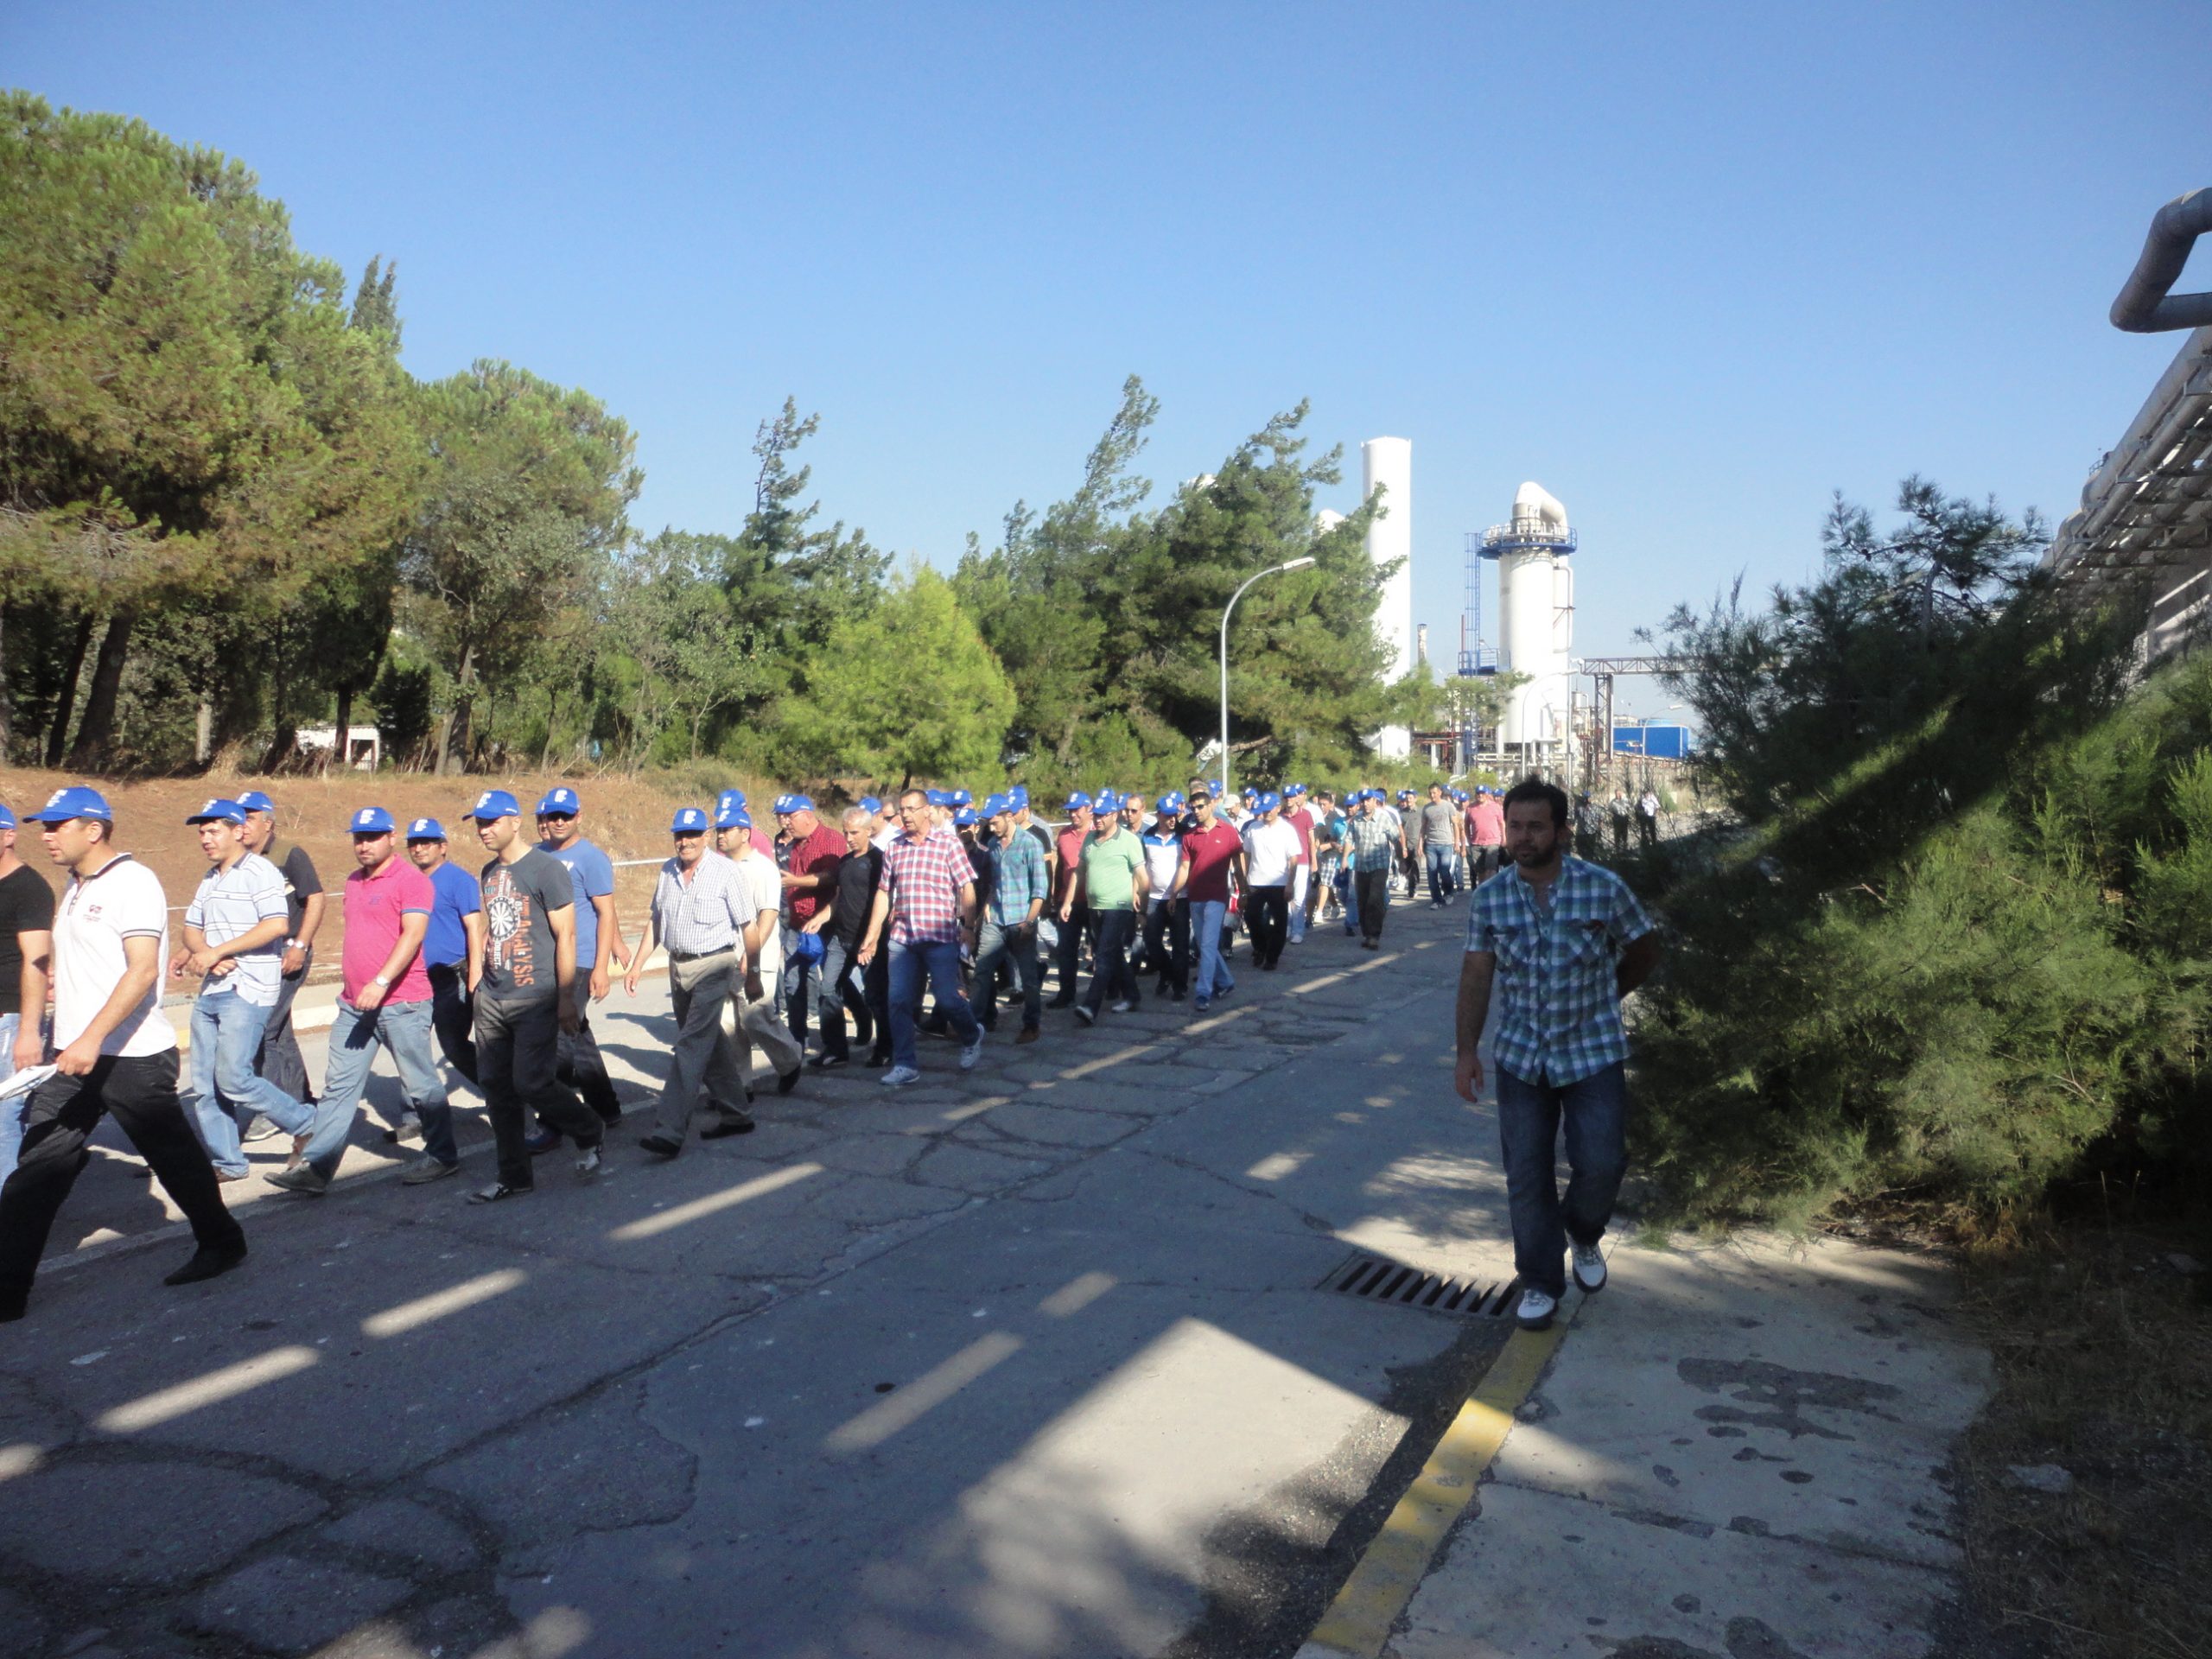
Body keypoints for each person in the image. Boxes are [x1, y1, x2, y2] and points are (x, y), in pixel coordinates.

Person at [2, 788, 248, 1321]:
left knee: (174, 1159)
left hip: (130, 1056)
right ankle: (7, 1289)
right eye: (44, 826)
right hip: (74, 1055)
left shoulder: (133, 882)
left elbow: (142, 970)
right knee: (40, 1164)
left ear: (94, 829)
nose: (46, 836)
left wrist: (91, 1038)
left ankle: (222, 1241)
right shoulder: (76, 884)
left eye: (57, 826)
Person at [1456, 778, 1662, 1332]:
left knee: (1601, 1162)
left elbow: (1644, 947)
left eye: (1535, 827)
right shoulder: (1490, 897)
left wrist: (1608, 995)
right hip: (1522, 1057)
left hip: (1592, 1051)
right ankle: (1540, 1282)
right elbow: (1476, 974)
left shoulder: (1603, 888)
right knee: (1526, 1174)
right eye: (1515, 826)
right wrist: (1466, 1051)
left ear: (1562, 831)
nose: (1522, 837)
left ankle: (1584, 1233)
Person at [274, 807, 461, 1192]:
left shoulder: (411, 881)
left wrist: (381, 980)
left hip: (402, 1003)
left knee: (420, 1085)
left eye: (373, 837)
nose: (364, 845)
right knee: (338, 1087)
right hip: (353, 1005)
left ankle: (442, 1155)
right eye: (359, 838)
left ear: (391, 838)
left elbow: (412, 936)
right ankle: (317, 1167)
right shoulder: (354, 881)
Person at [464, 789, 605, 1202]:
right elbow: (495, 928)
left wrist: (565, 998)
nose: (484, 830)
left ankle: (588, 1127)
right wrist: (479, 980)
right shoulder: (489, 872)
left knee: (531, 1083)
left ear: (515, 822)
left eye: (491, 822)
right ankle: (514, 1176)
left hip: (534, 996)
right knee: (496, 1088)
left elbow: (567, 935)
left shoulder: (547, 869)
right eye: (479, 823)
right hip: (492, 997)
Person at [173, 798, 312, 1183]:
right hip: (213, 988)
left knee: (234, 1077)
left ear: (238, 831)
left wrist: (218, 951)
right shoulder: (210, 878)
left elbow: (277, 925)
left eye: (213, 830)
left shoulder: (260, 871)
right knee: (205, 1084)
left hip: (248, 988)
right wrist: (205, 953)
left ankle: (308, 1123)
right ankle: (229, 1162)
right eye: (202, 832)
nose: (205, 838)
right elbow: (191, 928)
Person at [628, 807, 755, 1157]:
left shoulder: (726, 872)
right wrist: (637, 965)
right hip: (678, 966)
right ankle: (737, 1113)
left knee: (689, 1046)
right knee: (709, 1043)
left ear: (706, 836)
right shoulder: (667, 871)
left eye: (692, 835)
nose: (685, 842)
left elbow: (749, 925)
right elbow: (656, 920)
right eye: (679, 835)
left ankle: (669, 1131)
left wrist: (754, 972)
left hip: (715, 965)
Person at [858, 789, 985, 1086]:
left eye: (911, 809)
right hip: (903, 939)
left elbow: (966, 887)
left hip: (940, 937)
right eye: (902, 809)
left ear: (927, 811)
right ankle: (905, 1064)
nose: (905, 815)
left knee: (948, 998)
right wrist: (873, 934)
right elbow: (884, 893)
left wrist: (968, 927)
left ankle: (971, 1034)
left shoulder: (948, 844)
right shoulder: (895, 847)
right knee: (898, 1001)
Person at [531, 790, 626, 1144]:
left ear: (578, 817)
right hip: (547, 959)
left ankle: (554, 1121)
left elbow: (606, 913)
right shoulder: (537, 855)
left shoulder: (591, 858)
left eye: (565, 816)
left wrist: (601, 968)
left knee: (557, 1041)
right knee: (577, 1034)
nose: (558, 822)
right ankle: (606, 1106)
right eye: (552, 816)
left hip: (581, 959)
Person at [237, 790, 323, 1128]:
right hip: (257, 958)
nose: (242, 824)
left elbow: (316, 899)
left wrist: (300, 945)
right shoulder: (239, 859)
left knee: (264, 1029)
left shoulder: (289, 854)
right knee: (280, 1033)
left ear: (268, 823)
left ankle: (271, 1110)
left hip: (288, 953)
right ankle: (301, 1101)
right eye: (239, 817)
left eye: (249, 817)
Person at [716, 805, 807, 1096]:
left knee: (755, 1017)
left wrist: (751, 955)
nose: (720, 835)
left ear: (745, 834)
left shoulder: (762, 867)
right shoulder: (719, 867)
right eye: (718, 830)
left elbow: (767, 914)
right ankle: (740, 1086)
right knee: (728, 1025)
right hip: (725, 956)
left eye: (727, 830)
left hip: (756, 956)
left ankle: (790, 1059)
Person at [800, 807, 884, 1066]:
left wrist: (873, 938)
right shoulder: (845, 861)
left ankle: (885, 1048)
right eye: (846, 832)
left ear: (869, 831)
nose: (849, 838)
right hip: (841, 937)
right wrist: (821, 917)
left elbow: (884, 901)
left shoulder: (879, 861)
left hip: (868, 940)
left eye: (854, 833)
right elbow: (839, 898)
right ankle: (836, 1049)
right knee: (828, 990)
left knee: (876, 996)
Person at [0, 801, 55, 1186]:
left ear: (9, 836)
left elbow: (37, 962)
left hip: (10, 1017)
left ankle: (10, 1206)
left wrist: (29, 1031)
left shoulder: (29, 888)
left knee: (4, 1117)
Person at [405, 819, 482, 1084]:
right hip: (418, 978)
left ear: (443, 847)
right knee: (411, 1045)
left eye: (426, 843)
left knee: (453, 1045)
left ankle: (502, 1092)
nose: (418, 849)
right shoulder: (410, 882)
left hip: (454, 976)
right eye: (413, 843)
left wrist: (475, 972)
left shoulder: (459, 880)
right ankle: (417, 1105)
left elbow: (474, 927)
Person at [972, 794, 1047, 1041]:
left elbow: (1040, 889)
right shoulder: (993, 845)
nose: (992, 828)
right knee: (982, 971)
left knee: (1028, 978)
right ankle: (974, 1024)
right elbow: (994, 880)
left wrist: (1029, 921)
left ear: (1009, 816)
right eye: (989, 824)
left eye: (995, 823)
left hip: (1021, 920)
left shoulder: (1031, 844)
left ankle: (1031, 1025)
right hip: (996, 919)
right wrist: (987, 904)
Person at [777, 797, 846, 1056]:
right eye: (783, 817)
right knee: (792, 982)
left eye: (790, 816)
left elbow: (832, 877)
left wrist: (796, 881)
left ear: (807, 815)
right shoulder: (795, 844)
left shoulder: (830, 839)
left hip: (826, 924)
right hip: (798, 924)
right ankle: (797, 1041)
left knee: (831, 985)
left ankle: (837, 1043)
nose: (786, 822)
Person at [1071, 795, 1144, 1023]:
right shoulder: (1090, 838)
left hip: (1119, 906)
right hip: (1095, 906)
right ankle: (1132, 995)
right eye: (1096, 815)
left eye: (1103, 815)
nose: (1098, 819)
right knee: (1113, 953)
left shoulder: (1129, 840)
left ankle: (1090, 1006)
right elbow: (1079, 871)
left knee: (1102, 956)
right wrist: (1067, 902)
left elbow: (1143, 878)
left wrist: (1143, 910)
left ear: (1114, 815)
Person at [1173, 786, 1243, 1013]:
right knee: (1205, 946)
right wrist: (1174, 893)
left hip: (1217, 896)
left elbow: (1238, 864)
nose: (1197, 811)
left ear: (1211, 805)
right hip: (1195, 897)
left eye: (1200, 806)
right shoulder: (1189, 836)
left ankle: (1203, 992)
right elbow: (1184, 868)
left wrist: (1244, 892)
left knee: (1208, 944)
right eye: (1193, 808)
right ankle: (1226, 981)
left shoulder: (1228, 831)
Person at [1239, 792, 1302, 970]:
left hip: (1279, 882)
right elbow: (1246, 855)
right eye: (1263, 810)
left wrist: (1290, 884)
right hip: (1255, 881)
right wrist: (1244, 880)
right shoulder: (1253, 828)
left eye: (1269, 810)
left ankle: (1272, 957)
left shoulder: (1287, 830)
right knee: (1251, 917)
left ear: (1278, 808)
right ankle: (1260, 947)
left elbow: (1293, 859)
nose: (1266, 813)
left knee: (1280, 921)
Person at [1046, 793, 1096, 1008]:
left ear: (1089, 809)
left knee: (1101, 948)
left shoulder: (1097, 833)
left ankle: (1109, 989)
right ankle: (1066, 993)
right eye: (1070, 810)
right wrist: (1055, 894)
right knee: (1066, 950)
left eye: (1077, 810)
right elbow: (1061, 867)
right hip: (1068, 901)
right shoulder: (1064, 834)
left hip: (1094, 901)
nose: (1073, 814)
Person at [1140, 793, 1188, 1002]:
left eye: (1174, 815)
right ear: (1158, 815)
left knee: (1180, 944)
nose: (1172, 819)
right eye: (1167, 815)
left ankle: (1180, 986)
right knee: (1151, 941)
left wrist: (1176, 894)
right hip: (1154, 898)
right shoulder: (1147, 836)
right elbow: (1142, 868)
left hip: (1180, 897)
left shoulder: (1184, 835)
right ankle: (1167, 972)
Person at [1344, 790, 1400, 950]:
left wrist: (1402, 860)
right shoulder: (1356, 820)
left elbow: (1396, 837)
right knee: (1362, 902)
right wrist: (1345, 859)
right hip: (1361, 866)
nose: (1366, 804)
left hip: (1379, 866)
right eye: (1363, 801)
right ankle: (1367, 934)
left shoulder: (1384, 819)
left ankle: (1374, 936)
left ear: (1375, 801)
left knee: (1374, 900)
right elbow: (1349, 839)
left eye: (1369, 800)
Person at [1420, 782, 1465, 908]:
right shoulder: (1427, 808)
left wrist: (1456, 843)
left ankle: (1449, 892)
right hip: (1431, 845)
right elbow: (1423, 827)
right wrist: (1420, 844)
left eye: (1434, 793)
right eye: (1430, 793)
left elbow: (1455, 825)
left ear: (1440, 792)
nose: (1432, 795)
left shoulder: (1448, 806)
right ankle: (1436, 900)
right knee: (1432, 872)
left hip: (1446, 844)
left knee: (1444, 870)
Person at [1470, 786, 1506, 881]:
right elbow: (1466, 824)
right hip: (1476, 843)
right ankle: (1483, 888)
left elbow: (1502, 823)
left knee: (1491, 868)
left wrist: (1504, 838)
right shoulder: (1470, 808)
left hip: (1492, 842)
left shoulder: (1495, 807)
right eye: (1478, 793)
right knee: (1480, 871)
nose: (1480, 795)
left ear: (1487, 794)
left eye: (1482, 793)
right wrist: (1469, 838)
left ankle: (1491, 887)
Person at [1609, 788, 1633, 856]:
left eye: (1619, 793)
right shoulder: (1612, 802)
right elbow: (1609, 810)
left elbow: (1630, 808)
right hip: (1617, 820)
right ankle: (1617, 850)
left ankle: (1625, 850)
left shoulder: (1625, 801)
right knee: (1617, 836)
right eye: (1617, 793)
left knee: (1625, 835)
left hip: (1624, 819)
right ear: (1615, 794)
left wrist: (1629, 815)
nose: (1618, 795)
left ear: (1621, 793)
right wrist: (1612, 816)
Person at [1637, 787, 1662, 851]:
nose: (1646, 794)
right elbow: (1639, 806)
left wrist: (1655, 813)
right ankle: (1645, 844)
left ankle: (1654, 844)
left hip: (1651, 816)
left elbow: (1658, 806)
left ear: (1649, 792)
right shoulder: (1642, 799)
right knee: (1643, 831)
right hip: (1645, 816)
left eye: (1647, 793)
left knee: (1652, 831)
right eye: (1645, 793)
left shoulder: (1652, 797)